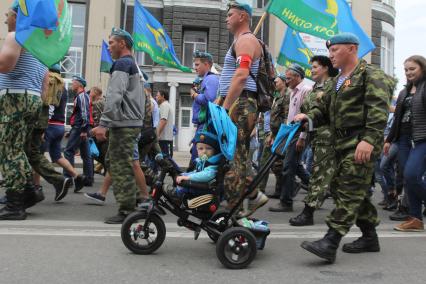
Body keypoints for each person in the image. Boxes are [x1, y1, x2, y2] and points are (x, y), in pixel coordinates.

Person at [295, 33, 395, 263]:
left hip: (360, 142)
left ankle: (331, 240)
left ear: (351, 49)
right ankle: (370, 236)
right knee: (347, 189)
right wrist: (307, 117)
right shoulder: (335, 81)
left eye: (334, 51)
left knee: (349, 190)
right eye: (329, 52)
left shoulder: (371, 75)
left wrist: (369, 140)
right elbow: (323, 111)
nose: (330, 56)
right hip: (339, 143)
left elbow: (378, 111)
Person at [219, 0, 268, 217]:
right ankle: (253, 195)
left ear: (243, 17)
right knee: (239, 154)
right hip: (241, 104)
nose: (226, 18)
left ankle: (234, 210)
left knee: (233, 157)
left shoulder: (246, 40)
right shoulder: (242, 40)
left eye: (230, 14)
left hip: (241, 104)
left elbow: (241, 75)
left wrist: (225, 107)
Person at [92, 28, 145, 224]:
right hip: (130, 122)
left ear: (122, 44)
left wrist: (103, 124)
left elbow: (115, 95)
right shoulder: (133, 65)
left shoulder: (122, 64)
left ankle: (126, 210)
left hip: (123, 124)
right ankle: (138, 200)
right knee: (120, 162)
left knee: (120, 165)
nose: (109, 46)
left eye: (112, 42)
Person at [0, 2, 48, 220]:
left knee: (10, 150)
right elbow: (45, 84)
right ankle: (27, 191)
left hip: (15, 97)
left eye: (8, 15)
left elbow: (5, 65)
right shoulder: (39, 45)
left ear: (18, 16)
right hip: (33, 99)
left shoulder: (16, 35)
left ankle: (14, 203)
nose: (5, 20)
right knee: (19, 149)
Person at [289, 55, 338, 226]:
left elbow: (326, 112)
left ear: (325, 68)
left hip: (329, 138)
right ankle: (365, 223)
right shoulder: (315, 87)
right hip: (316, 137)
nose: (312, 70)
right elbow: (306, 111)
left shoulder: (334, 86)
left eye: (315, 67)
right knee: (337, 182)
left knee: (319, 175)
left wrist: (307, 117)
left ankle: (307, 213)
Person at [386, 55, 426, 232]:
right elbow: (397, 119)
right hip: (403, 139)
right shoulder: (404, 91)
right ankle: (416, 219)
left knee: (412, 175)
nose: (408, 72)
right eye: (406, 70)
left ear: (422, 68)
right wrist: (388, 140)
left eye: (412, 69)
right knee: (406, 180)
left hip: (422, 138)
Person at [269, 63, 312, 213]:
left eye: (289, 78)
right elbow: (290, 118)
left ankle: (286, 202)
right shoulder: (292, 92)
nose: (286, 81)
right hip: (290, 134)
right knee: (295, 166)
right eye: (285, 78)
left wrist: (302, 137)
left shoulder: (306, 91)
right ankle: (318, 190)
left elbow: (308, 116)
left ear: (298, 76)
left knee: (288, 167)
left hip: (299, 135)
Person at [167, 131, 220, 200]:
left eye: (208, 148)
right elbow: (197, 172)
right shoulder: (202, 161)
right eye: (201, 149)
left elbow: (206, 175)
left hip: (206, 188)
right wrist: (185, 175)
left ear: (214, 151)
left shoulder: (213, 163)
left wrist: (188, 177)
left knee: (185, 188)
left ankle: (177, 196)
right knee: (181, 178)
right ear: (197, 150)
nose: (204, 151)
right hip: (201, 185)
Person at [261, 74, 290, 198]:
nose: (275, 84)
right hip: (273, 134)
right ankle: (263, 189)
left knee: (278, 164)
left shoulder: (287, 96)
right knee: (269, 162)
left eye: (277, 82)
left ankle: (282, 190)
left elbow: (286, 118)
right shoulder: (277, 97)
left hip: (281, 135)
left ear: (284, 82)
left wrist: (279, 136)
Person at [189, 51, 219, 167]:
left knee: (199, 159)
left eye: (197, 65)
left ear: (206, 64)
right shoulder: (206, 79)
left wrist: (195, 95)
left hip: (206, 125)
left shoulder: (211, 79)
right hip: (203, 125)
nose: (195, 68)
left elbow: (209, 99)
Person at [63, 75, 94, 187]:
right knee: (86, 154)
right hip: (80, 128)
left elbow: (84, 114)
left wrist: (83, 130)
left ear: (79, 84)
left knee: (68, 151)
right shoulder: (82, 96)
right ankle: (88, 179)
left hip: (80, 128)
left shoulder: (81, 96)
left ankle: (68, 178)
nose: (72, 84)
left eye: (73, 82)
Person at [156, 90, 174, 158]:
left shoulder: (164, 105)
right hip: (166, 138)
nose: (156, 97)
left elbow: (163, 120)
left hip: (164, 138)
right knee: (166, 160)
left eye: (157, 95)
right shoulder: (166, 105)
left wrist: (156, 134)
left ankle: (176, 169)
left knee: (166, 160)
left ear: (163, 96)